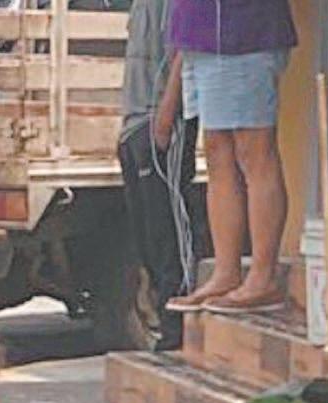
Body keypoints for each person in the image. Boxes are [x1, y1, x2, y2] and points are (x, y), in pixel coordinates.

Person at [164, 0, 297, 315]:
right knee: (216, 154)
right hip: (199, 33)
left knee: (254, 152)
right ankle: (226, 272)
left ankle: (263, 277)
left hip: (241, 33)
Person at [118, 0, 202, 349]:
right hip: (134, 123)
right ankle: (163, 320)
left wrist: (168, 112)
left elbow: (186, 47)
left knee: (168, 228)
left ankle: (178, 321)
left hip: (161, 120)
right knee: (146, 234)